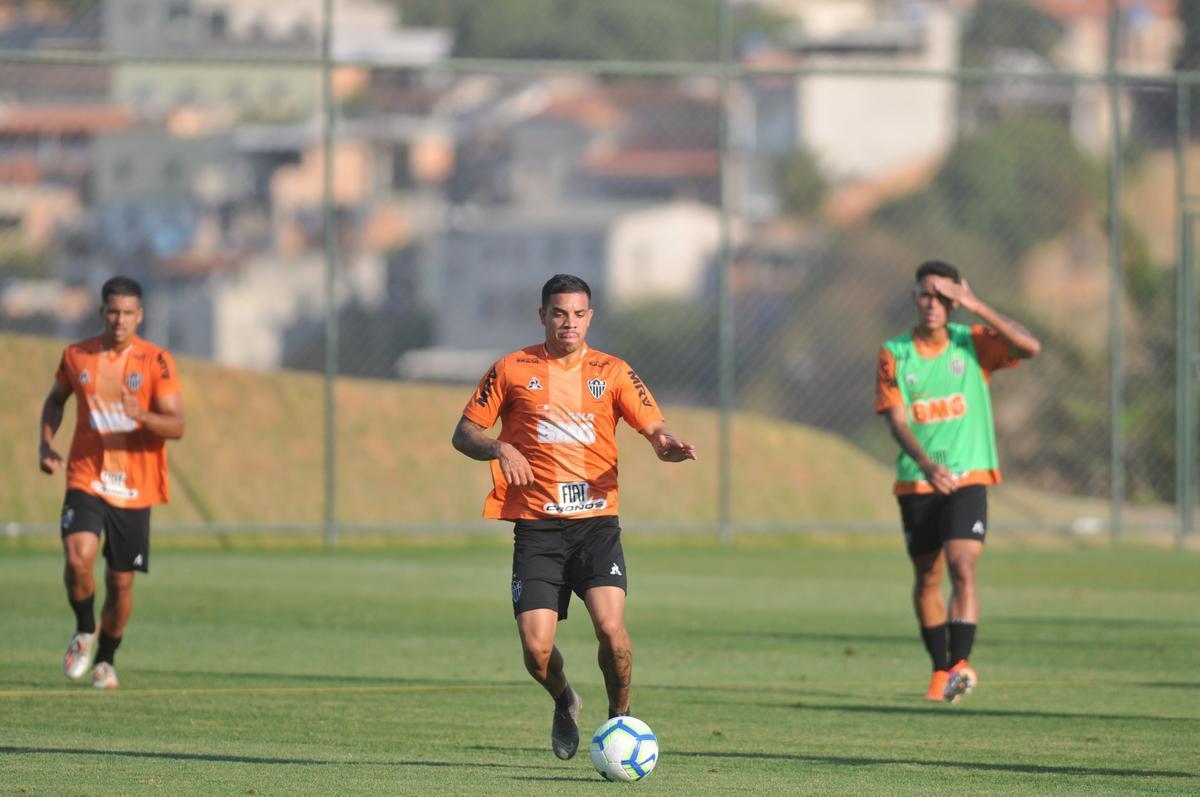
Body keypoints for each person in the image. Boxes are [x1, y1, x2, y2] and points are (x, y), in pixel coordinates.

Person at [452, 273, 696, 759]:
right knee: (536, 651)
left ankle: (620, 721)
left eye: (578, 314)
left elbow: (655, 427)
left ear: (590, 317)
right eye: (559, 313)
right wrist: (500, 447)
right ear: (542, 315)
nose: (569, 323)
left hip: (596, 525)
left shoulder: (613, 371)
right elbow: (464, 434)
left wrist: (664, 445)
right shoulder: (511, 369)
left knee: (611, 630)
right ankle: (565, 699)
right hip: (538, 530)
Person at [875, 261, 1040, 703]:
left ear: (954, 301)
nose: (933, 304)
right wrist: (928, 465)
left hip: (968, 477)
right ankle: (940, 669)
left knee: (962, 565)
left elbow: (1030, 346)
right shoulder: (895, 353)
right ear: (914, 299)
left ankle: (961, 663)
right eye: (925, 295)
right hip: (920, 480)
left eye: (944, 297)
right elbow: (896, 419)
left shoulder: (972, 344)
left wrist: (973, 303)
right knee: (928, 577)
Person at [39, 275, 185, 689]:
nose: (119, 320)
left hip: (135, 486)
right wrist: (45, 445)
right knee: (77, 554)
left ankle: (106, 659)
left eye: (128, 313)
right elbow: (55, 400)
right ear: (102, 312)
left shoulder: (157, 362)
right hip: (87, 476)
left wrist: (143, 415)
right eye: (113, 312)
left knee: (120, 583)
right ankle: (85, 629)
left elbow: (176, 425)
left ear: (140, 316)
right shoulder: (77, 355)